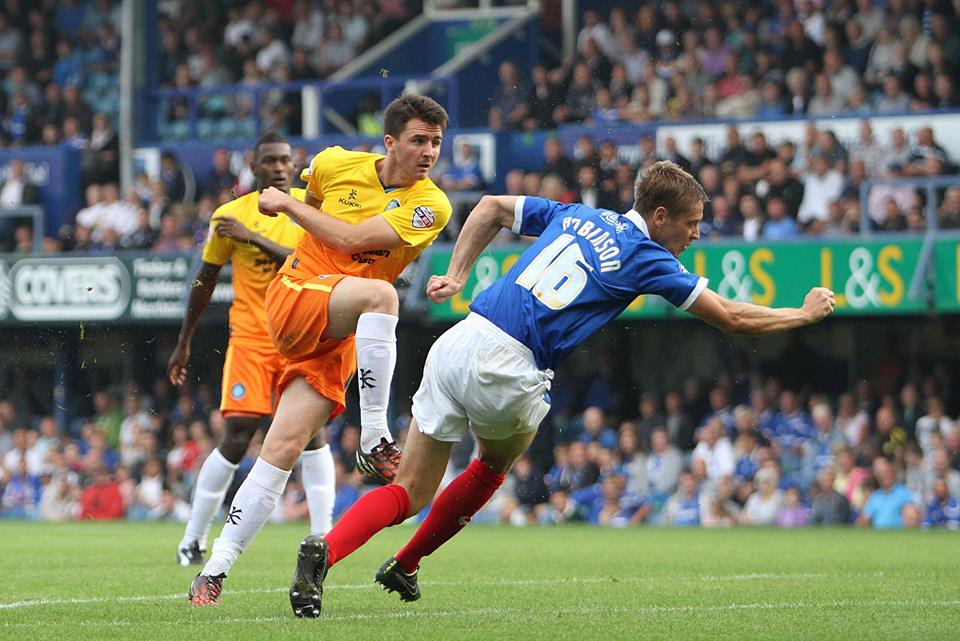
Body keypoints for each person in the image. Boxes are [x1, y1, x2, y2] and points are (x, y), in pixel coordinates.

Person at [272, 160, 835, 618]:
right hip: (511, 366)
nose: (694, 234)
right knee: (492, 467)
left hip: (462, 337)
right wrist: (802, 314)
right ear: (659, 216)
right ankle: (406, 562)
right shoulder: (647, 256)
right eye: (690, 223)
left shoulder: (578, 214)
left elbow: (490, 207)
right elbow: (732, 317)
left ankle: (328, 549)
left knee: (410, 490)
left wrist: (460, 273)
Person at [189, 94, 452, 606]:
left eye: (436, 142)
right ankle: (375, 435)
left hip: (340, 329)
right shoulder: (333, 163)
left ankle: (213, 571)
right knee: (382, 295)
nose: (428, 152)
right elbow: (314, 208)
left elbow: (351, 241)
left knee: (280, 450)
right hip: (295, 294)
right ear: (390, 141)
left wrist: (287, 204)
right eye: (418, 140)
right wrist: (300, 211)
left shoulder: (431, 204)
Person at [169, 132, 335, 566]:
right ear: (253, 165)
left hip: (301, 337)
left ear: (294, 164)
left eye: (285, 160)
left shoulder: (309, 210)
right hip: (251, 339)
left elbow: (305, 264)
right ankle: (193, 538)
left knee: (311, 434)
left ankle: (325, 540)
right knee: (237, 435)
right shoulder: (229, 216)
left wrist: (252, 238)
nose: (279, 167)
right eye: (270, 161)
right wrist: (184, 341)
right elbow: (205, 279)